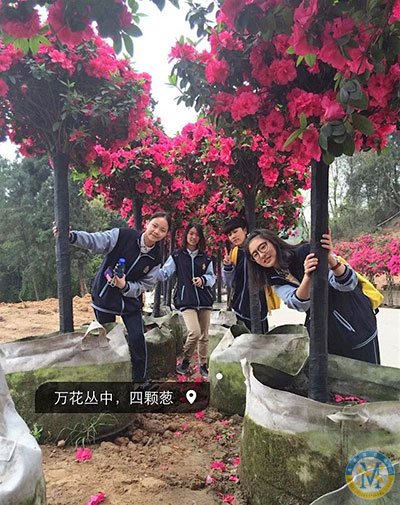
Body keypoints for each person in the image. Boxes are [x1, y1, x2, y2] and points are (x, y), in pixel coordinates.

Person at [53, 211, 171, 385]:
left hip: (130, 301)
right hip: (105, 296)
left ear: (166, 234)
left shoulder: (156, 257)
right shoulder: (123, 236)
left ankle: (140, 380)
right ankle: (112, 378)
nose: (156, 231)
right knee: (106, 340)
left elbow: (146, 283)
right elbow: (95, 240)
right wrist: (71, 236)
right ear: (147, 223)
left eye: (162, 230)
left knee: (137, 338)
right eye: (155, 225)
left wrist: (125, 286)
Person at [245, 228, 380, 364]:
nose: (261, 255)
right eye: (255, 254)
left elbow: (347, 284)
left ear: (273, 242)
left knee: (370, 373)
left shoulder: (306, 252)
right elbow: (298, 303)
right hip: (328, 336)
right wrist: (308, 277)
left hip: (357, 322)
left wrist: (329, 258)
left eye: (263, 247)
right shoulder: (274, 279)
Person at [158, 223, 216, 378]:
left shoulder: (206, 257)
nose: (193, 237)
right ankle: (186, 359)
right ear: (186, 235)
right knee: (195, 332)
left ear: (200, 238)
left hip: (204, 300)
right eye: (191, 233)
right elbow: (165, 273)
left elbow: (212, 277)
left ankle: (203, 365)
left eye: (197, 234)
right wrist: (151, 271)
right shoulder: (177, 256)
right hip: (186, 300)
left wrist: (203, 280)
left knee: (204, 335)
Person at [222, 217, 268, 333]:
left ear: (245, 230)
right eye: (230, 234)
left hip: (260, 307)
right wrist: (228, 267)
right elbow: (230, 282)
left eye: (235, 231)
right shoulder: (235, 253)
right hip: (239, 306)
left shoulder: (258, 250)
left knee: (260, 339)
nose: (233, 236)